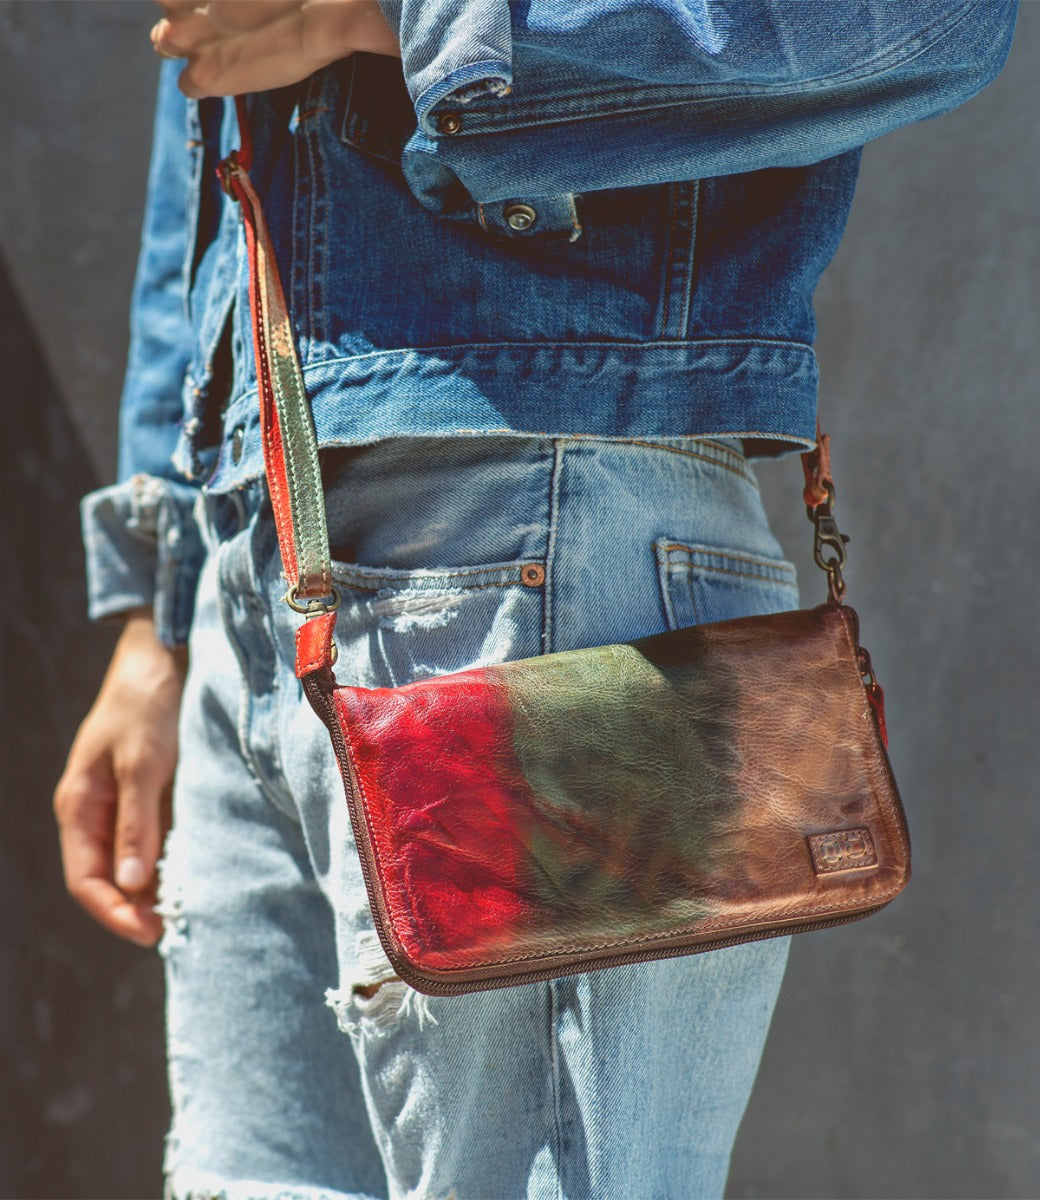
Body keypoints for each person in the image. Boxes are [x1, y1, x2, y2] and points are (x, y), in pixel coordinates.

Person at [54, 3, 1017, 1197]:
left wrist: (404, 19)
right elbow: (201, 98)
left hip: (542, 518)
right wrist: (163, 612)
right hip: (255, 555)